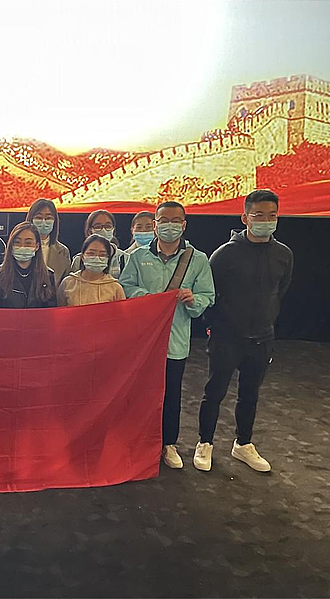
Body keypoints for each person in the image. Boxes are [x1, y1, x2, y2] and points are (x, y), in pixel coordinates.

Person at [193, 189, 293, 473]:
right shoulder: (225, 254)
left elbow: (280, 291)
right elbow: (209, 294)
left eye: (271, 215)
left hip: (262, 338)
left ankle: (243, 444)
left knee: (250, 394)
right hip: (226, 337)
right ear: (245, 217)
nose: (265, 220)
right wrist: (215, 327)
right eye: (258, 215)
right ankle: (205, 442)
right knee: (214, 392)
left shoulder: (284, 254)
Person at [119, 201, 215, 469]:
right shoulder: (138, 257)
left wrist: (193, 299)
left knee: (171, 394)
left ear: (183, 225)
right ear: (155, 225)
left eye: (175, 221)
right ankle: (135, 440)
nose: (169, 226)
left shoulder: (197, 259)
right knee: (138, 392)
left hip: (175, 340)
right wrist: (151, 299)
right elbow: (126, 287)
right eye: (163, 221)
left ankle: (168, 443)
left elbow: (208, 296)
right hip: (142, 341)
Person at [0, 222, 57, 308]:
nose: (22, 246)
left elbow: (51, 310)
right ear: (11, 245)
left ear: (37, 246)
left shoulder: (48, 275)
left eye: (28, 243)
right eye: (17, 242)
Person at [59, 235, 126, 306]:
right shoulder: (68, 283)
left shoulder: (115, 287)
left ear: (108, 259)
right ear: (82, 256)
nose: (96, 258)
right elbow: (60, 309)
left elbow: (121, 311)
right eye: (91, 253)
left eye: (102, 255)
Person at [25, 198, 71, 287]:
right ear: (31, 219)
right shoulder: (19, 247)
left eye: (48, 218)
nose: (43, 221)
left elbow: (65, 285)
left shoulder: (63, 251)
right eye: (39, 217)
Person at [70, 210, 129, 279]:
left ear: (113, 230)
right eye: (98, 226)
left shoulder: (125, 258)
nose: (103, 230)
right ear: (89, 231)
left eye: (108, 226)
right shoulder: (79, 260)